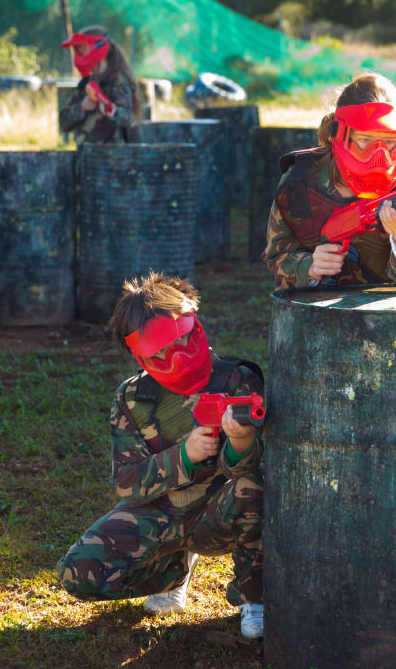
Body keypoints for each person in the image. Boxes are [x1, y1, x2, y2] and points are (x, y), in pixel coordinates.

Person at [56, 273, 265, 639]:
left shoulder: (238, 381)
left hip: (221, 515)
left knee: (254, 487)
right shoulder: (134, 398)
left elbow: (251, 473)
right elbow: (126, 484)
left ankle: (254, 595)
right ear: (142, 357)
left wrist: (241, 440)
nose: (181, 354)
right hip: (164, 514)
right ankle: (172, 571)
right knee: (78, 572)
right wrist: (183, 456)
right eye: (163, 351)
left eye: (185, 337)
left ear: (195, 321)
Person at [262, 72, 396, 291]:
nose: (378, 155)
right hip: (310, 311)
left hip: (385, 314)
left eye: (390, 142)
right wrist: (309, 267)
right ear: (338, 135)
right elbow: (275, 256)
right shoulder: (301, 178)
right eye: (364, 140)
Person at [59, 25, 139, 145]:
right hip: (86, 156)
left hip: (112, 158)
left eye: (84, 49)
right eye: (78, 50)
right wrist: (81, 108)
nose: (81, 54)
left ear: (98, 48)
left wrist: (111, 110)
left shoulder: (118, 81)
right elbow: (64, 123)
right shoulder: (85, 83)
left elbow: (128, 118)